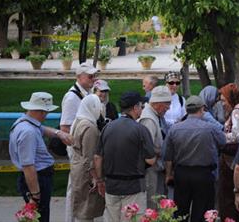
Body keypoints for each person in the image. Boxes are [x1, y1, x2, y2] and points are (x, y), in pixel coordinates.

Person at [9, 92, 73, 222]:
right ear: (42, 112)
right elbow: (28, 167)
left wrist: (58, 133)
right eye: (46, 112)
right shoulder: (28, 133)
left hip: (37, 178)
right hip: (38, 179)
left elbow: (41, 129)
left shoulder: (24, 122)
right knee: (40, 217)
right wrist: (35, 195)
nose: (46, 115)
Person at [94, 91, 155, 222]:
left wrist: (99, 180)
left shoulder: (107, 128)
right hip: (134, 187)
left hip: (111, 186)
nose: (142, 109)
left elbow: (98, 158)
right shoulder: (141, 130)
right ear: (135, 107)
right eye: (141, 106)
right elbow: (151, 160)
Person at [164, 96, 226, 222]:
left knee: (180, 212)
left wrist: (168, 174)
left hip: (182, 173)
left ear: (186, 110)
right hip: (204, 174)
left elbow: (168, 155)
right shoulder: (211, 128)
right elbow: (223, 142)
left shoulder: (175, 129)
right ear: (202, 109)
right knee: (203, 212)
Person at [62, 62, 98, 222]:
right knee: (75, 187)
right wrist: (76, 150)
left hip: (85, 147)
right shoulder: (72, 97)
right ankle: (71, 218)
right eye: (90, 76)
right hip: (78, 149)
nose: (93, 78)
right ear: (79, 77)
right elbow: (65, 127)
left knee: (82, 187)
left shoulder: (87, 92)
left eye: (94, 75)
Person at [70, 95, 105, 222]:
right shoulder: (90, 128)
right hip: (86, 173)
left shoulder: (79, 120)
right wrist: (96, 178)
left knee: (81, 207)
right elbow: (89, 157)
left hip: (77, 168)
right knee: (86, 210)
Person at [219, 83, 239, 222]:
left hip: (231, 158)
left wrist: (220, 137)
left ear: (231, 99)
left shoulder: (236, 111)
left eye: (224, 100)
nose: (222, 104)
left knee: (228, 196)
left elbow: (236, 135)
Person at [137, 85, 171, 208]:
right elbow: (146, 148)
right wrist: (163, 151)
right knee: (152, 203)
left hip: (155, 167)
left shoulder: (156, 115)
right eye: (167, 103)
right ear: (157, 103)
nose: (169, 107)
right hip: (149, 169)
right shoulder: (149, 119)